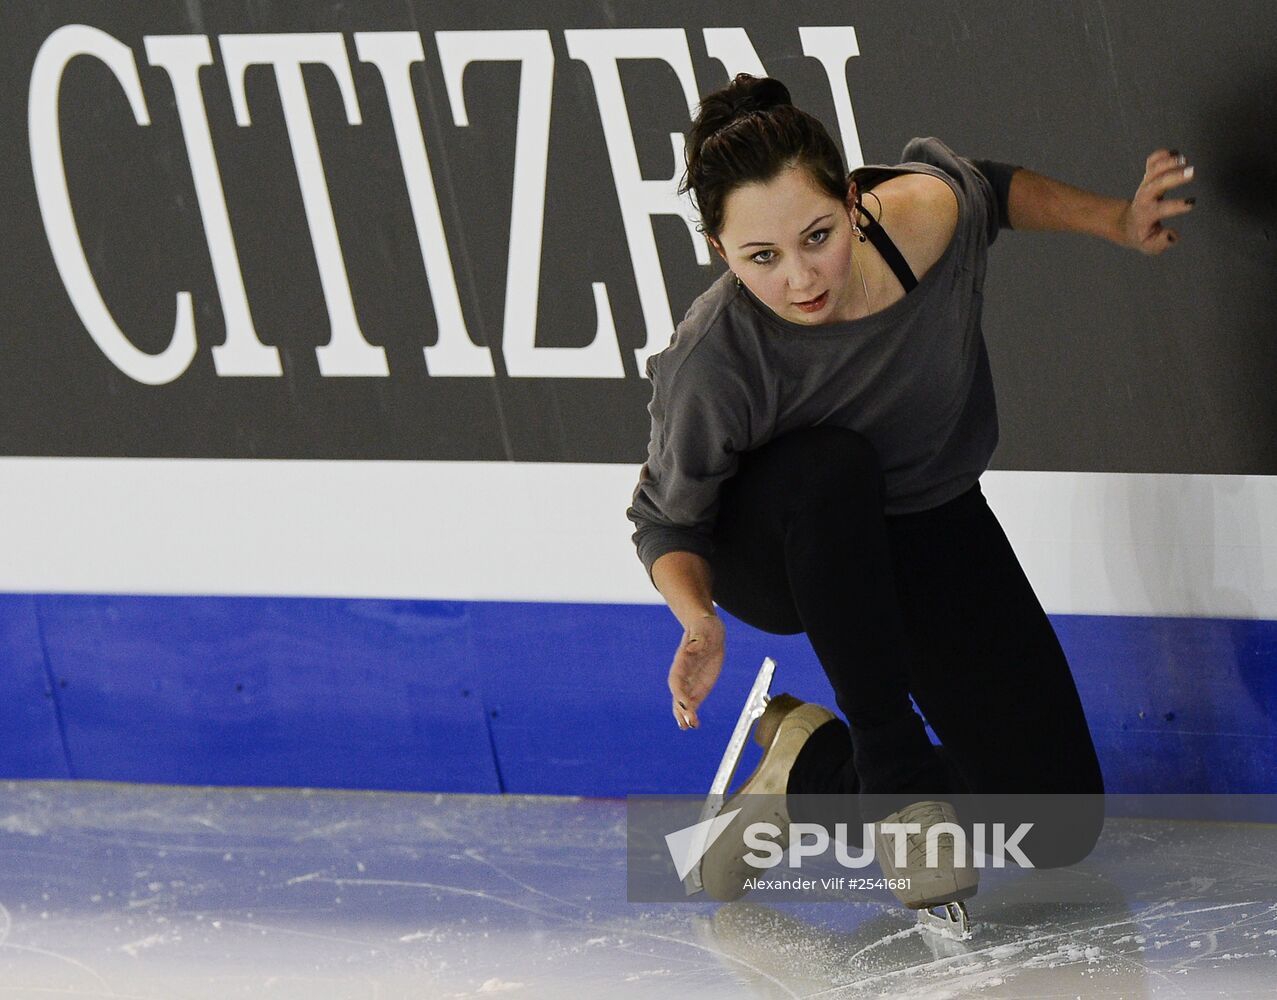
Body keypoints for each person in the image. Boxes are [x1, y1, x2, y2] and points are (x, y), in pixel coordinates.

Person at [625, 74, 1196, 906]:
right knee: (830, 466)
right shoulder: (717, 354)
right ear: (719, 251)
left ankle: (810, 767)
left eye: (816, 235)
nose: (798, 278)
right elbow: (664, 519)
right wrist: (697, 616)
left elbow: (990, 190)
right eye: (760, 257)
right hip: (780, 549)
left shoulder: (919, 223)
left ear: (855, 203)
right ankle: (894, 782)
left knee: (1053, 823)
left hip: (924, 519)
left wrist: (1116, 219)